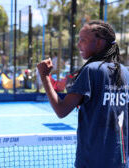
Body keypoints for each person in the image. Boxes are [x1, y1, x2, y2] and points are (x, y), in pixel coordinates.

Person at [37, 20, 129, 168]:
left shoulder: (91, 70)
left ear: (99, 43)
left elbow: (61, 110)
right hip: (120, 162)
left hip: (91, 162)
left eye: (83, 40)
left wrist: (44, 76)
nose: (78, 44)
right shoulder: (125, 72)